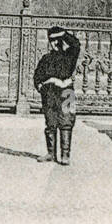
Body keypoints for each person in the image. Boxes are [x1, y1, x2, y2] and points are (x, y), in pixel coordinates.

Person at [33, 25, 81, 165]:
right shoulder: (46, 58)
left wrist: (63, 34)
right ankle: (50, 154)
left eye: (57, 40)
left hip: (67, 92)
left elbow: (76, 44)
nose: (55, 43)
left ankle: (65, 155)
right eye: (52, 41)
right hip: (49, 94)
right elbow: (37, 77)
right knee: (51, 123)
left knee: (67, 122)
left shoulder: (70, 55)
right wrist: (42, 86)